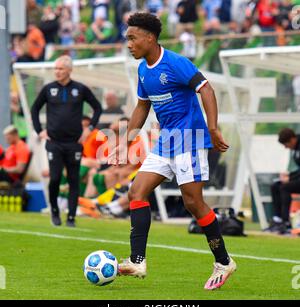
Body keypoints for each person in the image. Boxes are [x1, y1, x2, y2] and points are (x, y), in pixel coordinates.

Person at [108, 12, 236, 290]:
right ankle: (137, 260)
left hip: (189, 139)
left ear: (150, 38)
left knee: (193, 202)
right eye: (126, 38)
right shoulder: (143, 70)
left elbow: (207, 90)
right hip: (166, 141)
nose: (128, 44)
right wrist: (126, 141)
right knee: (136, 191)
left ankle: (223, 261)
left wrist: (213, 128)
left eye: (132, 38)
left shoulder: (176, 63)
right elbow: (143, 107)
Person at [31, 55, 102, 227]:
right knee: (55, 178)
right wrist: (40, 131)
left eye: (61, 69)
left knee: (73, 179)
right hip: (54, 142)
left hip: (74, 143)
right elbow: (35, 108)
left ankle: (71, 217)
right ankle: (54, 211)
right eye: (55, 68)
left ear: (69, 70)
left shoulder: (80, 89)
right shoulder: (48, 89)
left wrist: (89, 129)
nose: (57, 72)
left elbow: (97, 107)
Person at [269, 128, 300, 234]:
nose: (286, 147)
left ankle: (286, 223)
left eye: (286, 144)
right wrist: (289, 176)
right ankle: (278, 219)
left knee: (285, 187)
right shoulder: (295, 149)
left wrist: (290, 178)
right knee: (275, 185)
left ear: (292, 139)